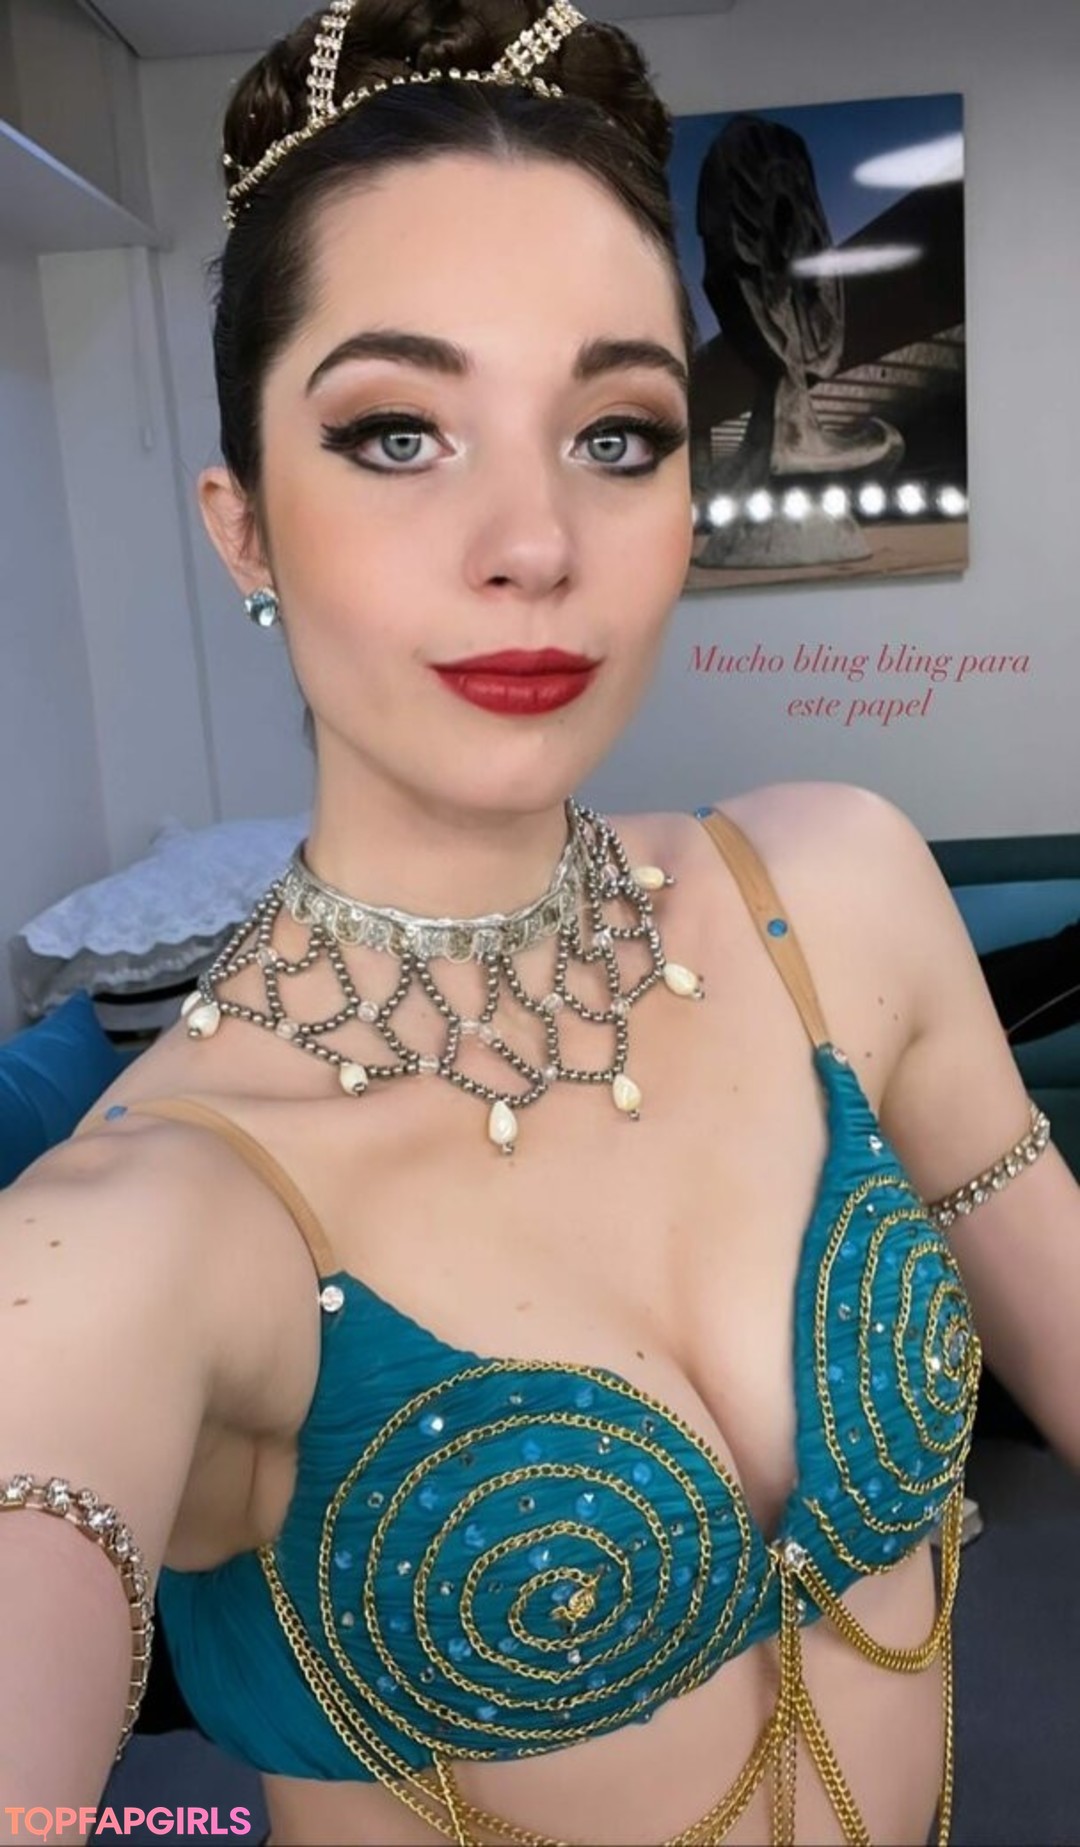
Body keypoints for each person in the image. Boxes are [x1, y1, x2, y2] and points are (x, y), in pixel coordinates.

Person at [2, 3, 1078, 1843]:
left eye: (617, 431)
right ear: (243, 526)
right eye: (398, 432)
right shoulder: (141, 1232)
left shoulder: (833, 892)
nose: (535, 540)